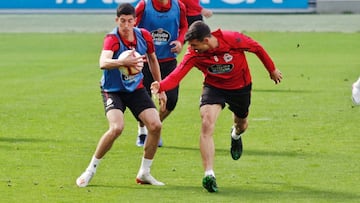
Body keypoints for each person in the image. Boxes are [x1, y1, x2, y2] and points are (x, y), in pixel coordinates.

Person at [151, 21, 283, 192]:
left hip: (240, 87)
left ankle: (235, 135)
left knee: (241, 123)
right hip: (213, 88)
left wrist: (271, 69)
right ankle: (209, 174)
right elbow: (176, 76)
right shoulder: (194, 54)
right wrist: (160, 86)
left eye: (194, 45)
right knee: (207, 123)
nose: (191, 48)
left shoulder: (232, 39)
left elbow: (256, 47)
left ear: (206, 40)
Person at [76, 3, 167, 187]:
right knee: (117, 128)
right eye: (122, 21)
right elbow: (103, 62)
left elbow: (152, 59)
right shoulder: (112, 38)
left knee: (156, 125)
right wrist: (121, 62)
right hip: (113, 90)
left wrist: (161, 87)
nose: (126, 25)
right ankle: (90, 170)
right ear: (117, 20)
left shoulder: (144, 36)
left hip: (135, 89)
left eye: (129, 21)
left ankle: (144, 173)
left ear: (135, 21)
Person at [134, 0, 188, 147]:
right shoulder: (143, 6)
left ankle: (154, 126)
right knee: (144, 101)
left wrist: (180, 41)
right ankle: (142, 131)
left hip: (168, 61)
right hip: (145, 62)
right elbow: (130, 29)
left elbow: (184, 26)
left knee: (171, 100)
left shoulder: (179, 7)